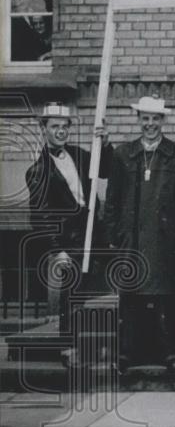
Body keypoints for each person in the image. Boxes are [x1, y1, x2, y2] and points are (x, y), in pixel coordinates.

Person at [104, 96, 175, 375]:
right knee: (130, 296)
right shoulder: (123, 153)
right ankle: (128, 352)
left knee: (167, 296)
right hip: (132, 236)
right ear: (138, 120)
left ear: (163, 121)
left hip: (165, 236)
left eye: (155, 119)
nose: (150, 124)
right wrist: (113, 233)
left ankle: (171, 351)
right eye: (145, 118)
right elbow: (113, 197)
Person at [25, 103, 113, 368]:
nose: (61, 132)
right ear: (44, 130)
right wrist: (57, 249)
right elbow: (39, 216)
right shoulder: (38, 171)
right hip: (67, 241)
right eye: (55, 127)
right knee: (71, 295)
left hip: (92, 233)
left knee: (97, 292)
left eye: (65, 127)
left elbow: (106, 169)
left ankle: (98, 346)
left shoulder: (80, 155)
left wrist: (105, 143)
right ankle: (70, 348)